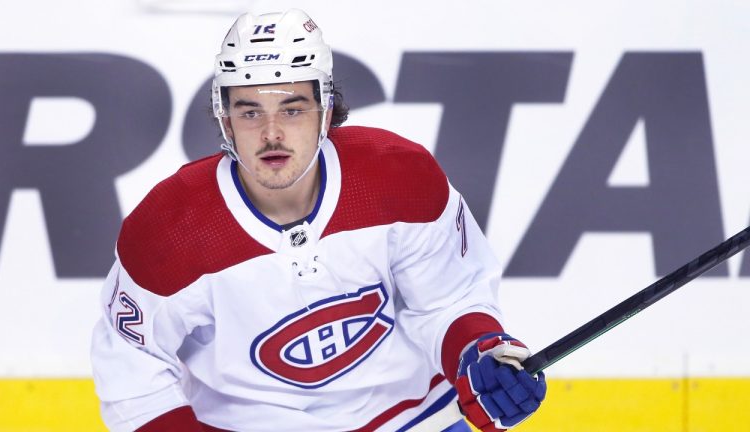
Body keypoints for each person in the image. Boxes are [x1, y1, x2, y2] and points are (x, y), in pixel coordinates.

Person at [90, 8, 545, 432]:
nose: (271, 133)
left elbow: (449, 299)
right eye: (250, 112)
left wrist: (477, 350)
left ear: (325, 112)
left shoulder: (400, 177)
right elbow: (134, 372)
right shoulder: (168, 231)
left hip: (416, 419)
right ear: (226, 121)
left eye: (292, 109)